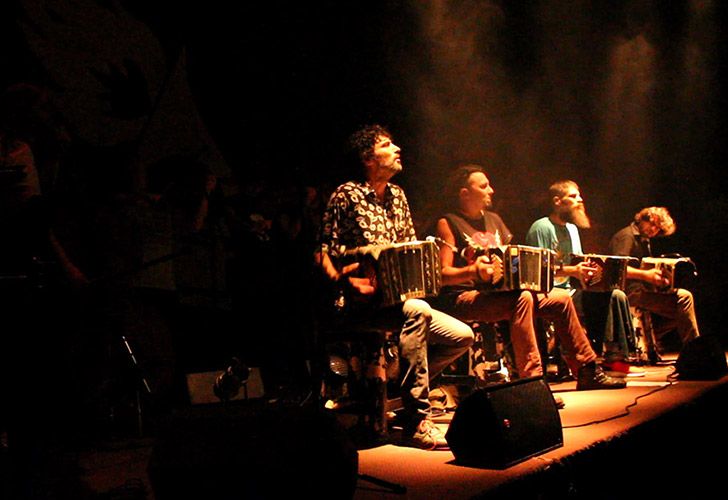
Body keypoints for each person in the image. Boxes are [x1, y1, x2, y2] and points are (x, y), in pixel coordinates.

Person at [315, 124, 474, 450]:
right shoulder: (346, 194)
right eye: (388, 145)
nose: (397, 148)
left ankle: (405, 395)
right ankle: (418, 421)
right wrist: (343, 279)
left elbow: (406, 251)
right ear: (368, 158)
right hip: (356, 303)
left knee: (462, 336)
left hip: (394, 302)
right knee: (418, 310)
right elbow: (322, 252)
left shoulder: (398, 196)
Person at [431, 164, 625, 397]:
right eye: (483, 186)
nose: (491, 190)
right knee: (522, 298)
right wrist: (473, 272)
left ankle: (586, 370)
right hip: (462, 297)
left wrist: (523, 273)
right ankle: (532, 382)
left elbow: (512, 259)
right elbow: (441, 275)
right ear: (465, 193)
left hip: (497, 295)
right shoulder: (448, 223)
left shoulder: (494, 220)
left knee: (561, 299)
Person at [525, 180, 645, 377]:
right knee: (598, 298)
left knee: (615, 294)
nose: (580, 200)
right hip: (550, 290)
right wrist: (573, 270)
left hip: (575, 289)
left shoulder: (572, 229)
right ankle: (600, 357)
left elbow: (578, 262)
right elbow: (537, 269)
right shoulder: (541, 228)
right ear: (557, 201)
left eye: (579, 195)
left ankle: (616, 356)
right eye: (573, 196)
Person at [609, 206, 699, 354]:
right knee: (684, 298)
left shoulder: (643, 240)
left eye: (658, 228)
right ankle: (695, 350)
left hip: (639, 292)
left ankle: (643, 339)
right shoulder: (626, 237)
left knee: (683, 312)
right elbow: (616, 269)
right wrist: (646, 275)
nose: (653, 230)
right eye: (652, 224)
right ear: (642, 219)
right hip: (627, 295)